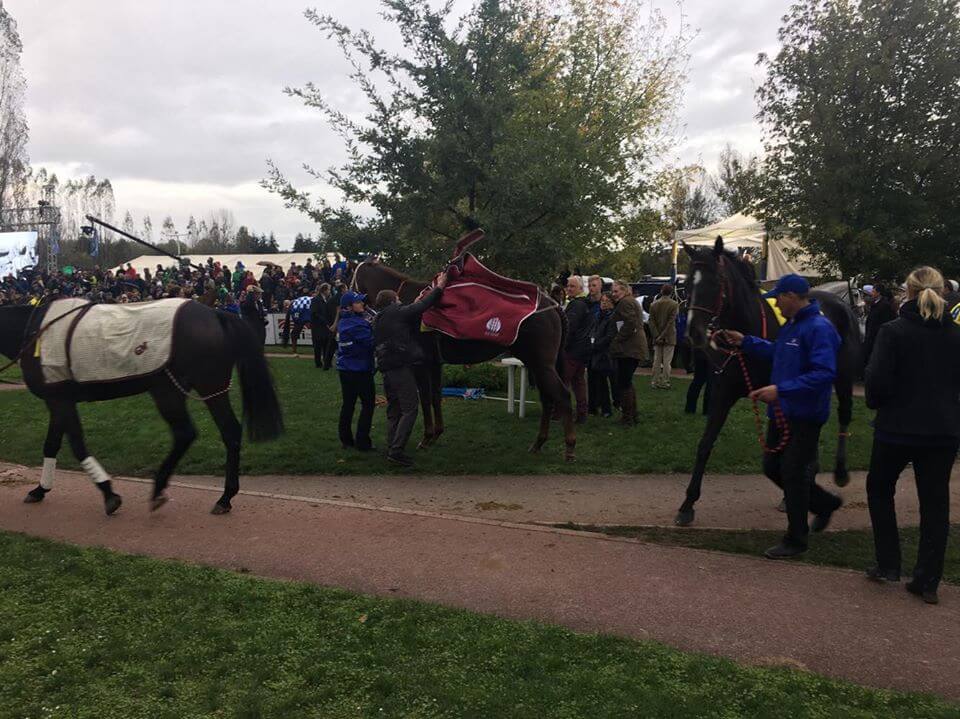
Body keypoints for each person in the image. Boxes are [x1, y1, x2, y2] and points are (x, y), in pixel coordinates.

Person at [719, 274, 843, 559]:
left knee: (793, 472)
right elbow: (778, 351)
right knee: (772, 466)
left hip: (805, 414)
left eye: (778, 298)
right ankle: (824, 504)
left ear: (791, 296)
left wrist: (781, 390)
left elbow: (824, 373)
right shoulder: (793, 325)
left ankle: (796, 539)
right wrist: (746, 342)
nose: (776, 303)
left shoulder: (819, 328)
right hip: (782, 411)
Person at [864, 267, 960, 605]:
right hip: (942, 431)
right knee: (935, 503)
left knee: (879, 490)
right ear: (943, 292)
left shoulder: (893, 331)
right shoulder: (956, 335)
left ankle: (888, 562)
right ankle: (928, 579)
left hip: (896, 427)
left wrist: (879, 403)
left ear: (908, 291)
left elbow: (876, 379)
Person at [373, 271, 448, 466]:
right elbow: (424, 305)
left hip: (386, 369)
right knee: (410, 408)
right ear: (393, 301)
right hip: (400, 367)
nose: (400, 302)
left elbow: (410, 312)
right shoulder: (397, 312)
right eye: (398, 300)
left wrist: (412, 306)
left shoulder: (379, 318)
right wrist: (440, 286)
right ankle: (397, 451)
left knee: (394, 409)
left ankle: (391, 445)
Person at [336, 291, 376, 452]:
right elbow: (371, 343)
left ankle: (345, 439)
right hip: (359, 370)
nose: (362, 304)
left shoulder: (344, 322)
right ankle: (363, 442)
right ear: (349, 307)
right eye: (358, 302)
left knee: (348, 404)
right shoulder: (358, 324)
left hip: (345, 369)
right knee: (368, 404)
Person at [609, 279, 648, 425]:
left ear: (624, 290)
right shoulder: (630, 301)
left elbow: (630, 323)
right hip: (632, 346)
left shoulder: (625, 303)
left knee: (624, 382)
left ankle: (627, 417)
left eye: (616, 291)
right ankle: (632, 414)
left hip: (629, 347)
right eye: (612, 291)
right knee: (627, 381)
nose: (613, 294)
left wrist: (618, 338)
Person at [562, 276, 592, 423]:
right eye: (568, 286)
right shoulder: (584, 303)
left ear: (580, 288)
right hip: (582, 349)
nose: (569, 288)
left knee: (563, 381)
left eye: (572, 286)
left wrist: (562, 346)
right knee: (578, 382)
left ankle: (559, 412)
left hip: (573, 349)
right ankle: (581, 413)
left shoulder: (577, 305)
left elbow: (570, 328)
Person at [589, 292, 617, 417]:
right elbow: (593, 331)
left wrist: (597, 344)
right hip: (596, 351)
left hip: (606, 353)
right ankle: (598, 406)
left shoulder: (612, 317)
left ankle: (608, 408)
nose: (604, 303)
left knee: (606, 382)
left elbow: (610, 336)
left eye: (607, 301)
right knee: (597, 382)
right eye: (602, 301)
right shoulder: (598, 316)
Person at [648, 284, 679, 389]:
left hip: (656, 336)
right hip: (669, 336)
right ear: (671, 292)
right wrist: (663, 335)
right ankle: (665, 382)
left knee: (656, 360)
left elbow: (651, 321)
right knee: (667, 361)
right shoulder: (674, 304)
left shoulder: (653, 304)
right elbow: (671, 322)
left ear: (661, 291)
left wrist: (657, 335)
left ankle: (654, 381)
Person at [863, 283, 897, 368]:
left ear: (878, 293)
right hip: (872, 336)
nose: (871, 294)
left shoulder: (884, 305)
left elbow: (886, 321)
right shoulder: (875, 304)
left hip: (877, 337)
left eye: (873, 292)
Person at [310, 283, 335, 369]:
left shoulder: (327, 299)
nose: (329, 291)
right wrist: (324, 321)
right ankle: (318, 363)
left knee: (326, 344)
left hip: (325, 326)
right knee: (318, 345)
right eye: (328, 289)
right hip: (317, 326)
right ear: (324, 290)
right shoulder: (316, 299)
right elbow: (315, 313)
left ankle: (326, 361)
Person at [685, 346, 712, 416]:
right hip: (710, 353)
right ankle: (707, 410)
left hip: (700, 352)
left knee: (697, 382)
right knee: (710, 384)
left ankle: (690, 408)